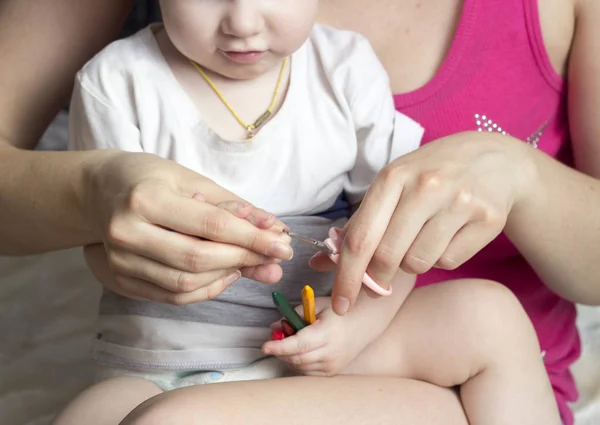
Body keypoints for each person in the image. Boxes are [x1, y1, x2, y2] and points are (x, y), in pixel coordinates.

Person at [0, 0, 597, 424]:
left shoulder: (341, 68)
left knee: (487, 313)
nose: (240, 20)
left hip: (367, 359)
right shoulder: (117, 82)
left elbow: (394, 234)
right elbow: (107, 257)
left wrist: (355, 325)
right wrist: (93, 201)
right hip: (170, 353)